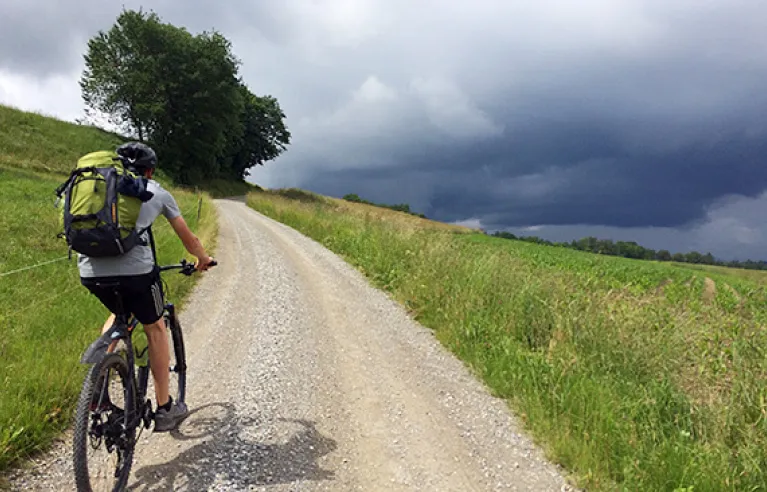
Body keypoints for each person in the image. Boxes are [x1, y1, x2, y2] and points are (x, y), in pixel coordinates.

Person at [78, 141, 215, 432]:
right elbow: (188, 238)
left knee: (118, 314)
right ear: (149, 171)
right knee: (155, 327)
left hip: (90, 271)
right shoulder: (157, 192)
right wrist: (202, 259)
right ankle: (165, 408)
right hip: (137, 275)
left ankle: (97, 389)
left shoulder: (98, 188)